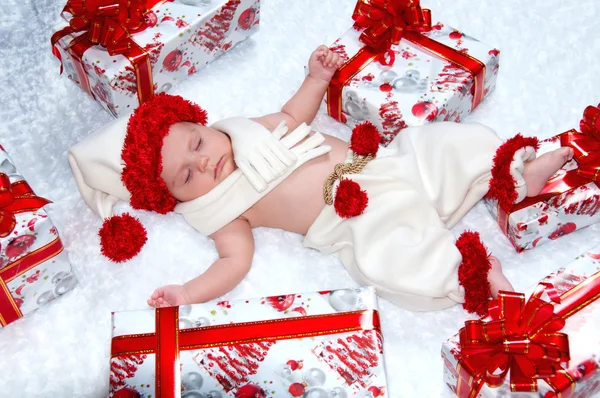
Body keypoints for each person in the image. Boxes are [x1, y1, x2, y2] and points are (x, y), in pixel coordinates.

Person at [68, 45, 574, 316]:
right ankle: (473, 274)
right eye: (185, 175)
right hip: (350, 215)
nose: (204, 163)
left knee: (442, 144)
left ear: (203, 123)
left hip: (381, 164)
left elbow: (295, 114)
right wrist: (189, 291)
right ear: (172, 197)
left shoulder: (245, 131)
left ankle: (512, 172)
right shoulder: (221, 210)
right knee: (395, 255)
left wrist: (315, 79)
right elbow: (233, 261)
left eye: (198, 143)